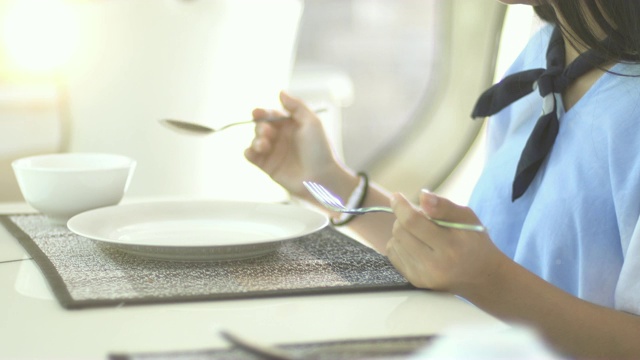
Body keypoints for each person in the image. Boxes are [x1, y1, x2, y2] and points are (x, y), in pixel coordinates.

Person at [244, 0, 640, 358]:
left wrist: (489, 280)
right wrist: (328, 181)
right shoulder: (538, 57)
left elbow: (488, 278)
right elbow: (464, 264)